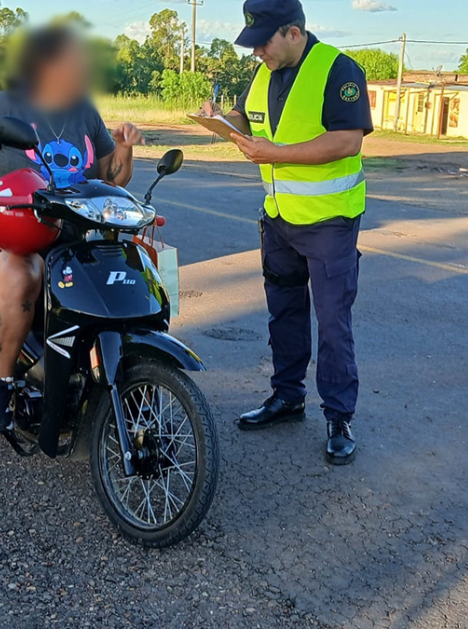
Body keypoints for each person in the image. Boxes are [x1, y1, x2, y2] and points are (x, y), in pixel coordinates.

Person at [0, 26, 144, 431]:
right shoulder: (1, 107)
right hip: (16, 236)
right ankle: (0, 383)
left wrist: (124, 145)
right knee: (22, 275)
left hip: (74, 236)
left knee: (128, 273)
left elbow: (112, 179)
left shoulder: (84, 111)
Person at [201, 0, 372, 465]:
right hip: (278, 219)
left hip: (329, 224)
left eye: (263, 43)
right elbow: (246, 123)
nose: (256, 53)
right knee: (284, 313)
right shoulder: (262, 74)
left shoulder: (338, 69)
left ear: (294, 32)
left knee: (333, 323)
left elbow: (347, 140)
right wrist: (219, 121)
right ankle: (287, 396)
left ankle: (338, 417)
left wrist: (276, 154)